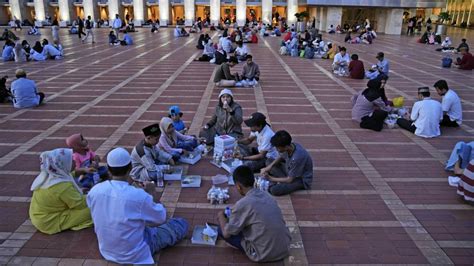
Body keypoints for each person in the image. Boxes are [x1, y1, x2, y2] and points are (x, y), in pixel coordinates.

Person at [87, 147, 188, 265]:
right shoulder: (138, 195)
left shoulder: (95, 190)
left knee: (139, 221)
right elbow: (161, 218)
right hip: (135, 254)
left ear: (108, 169)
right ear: (130, 168)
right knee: (180, 224)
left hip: (107, 251)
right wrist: (152, 194)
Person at [216, 165, 291, 262]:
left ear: (238, 186)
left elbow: (227, 234)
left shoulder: (243, 204)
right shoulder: (267, 195)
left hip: (263, 253)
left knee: (220, 229)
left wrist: (221, 215)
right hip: (284, 248)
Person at [29, 148, 93, 234]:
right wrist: (94, 193)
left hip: (38, 217)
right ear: (62, 164)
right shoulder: (62, 186)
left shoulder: (50, 173)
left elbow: (69, 174)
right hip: (49, 221)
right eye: (71, 160)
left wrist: (83, 170)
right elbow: (80, 204)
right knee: (94, 209)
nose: (74, 161)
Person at [259, 130, 313, 196]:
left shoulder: (297, 157)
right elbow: (281, 157)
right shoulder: (292, 145)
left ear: (286, 146)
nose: (276, 149)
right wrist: (268, 167)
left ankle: (278, 182)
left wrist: (270, 178)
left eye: (278, 148)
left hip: (299, 179)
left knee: (274, 190)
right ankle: (281, 180)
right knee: (269, 161)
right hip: (290, 171)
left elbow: (290, 180)